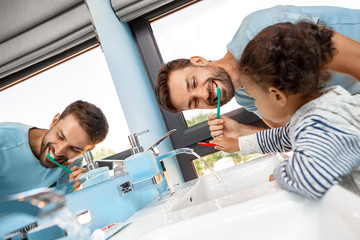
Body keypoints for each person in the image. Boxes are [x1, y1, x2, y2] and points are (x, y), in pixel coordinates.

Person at [210, 21, 360, 199]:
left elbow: (314, 179)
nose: (255, 105)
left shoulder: (316, 122)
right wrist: (240, 143)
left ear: (277, 95)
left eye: (255, 98)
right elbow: (283, 137)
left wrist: (282, 172)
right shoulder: (324, 105)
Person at [155, 5, 360, 133]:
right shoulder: (245, 97)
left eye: (193, 82)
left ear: (199, 61)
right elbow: (295, 129)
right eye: (194, 103)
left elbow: (355, 57)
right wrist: (241, 133)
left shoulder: (259, 30)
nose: (203, 94)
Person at [0, 100, 109, 197]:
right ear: (54, 121)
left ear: (87, 150)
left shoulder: (73, 163)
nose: (58, 151)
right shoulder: (3, 138)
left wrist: (72, 187)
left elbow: (61, 205)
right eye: (60, 136)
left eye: (74, 149)